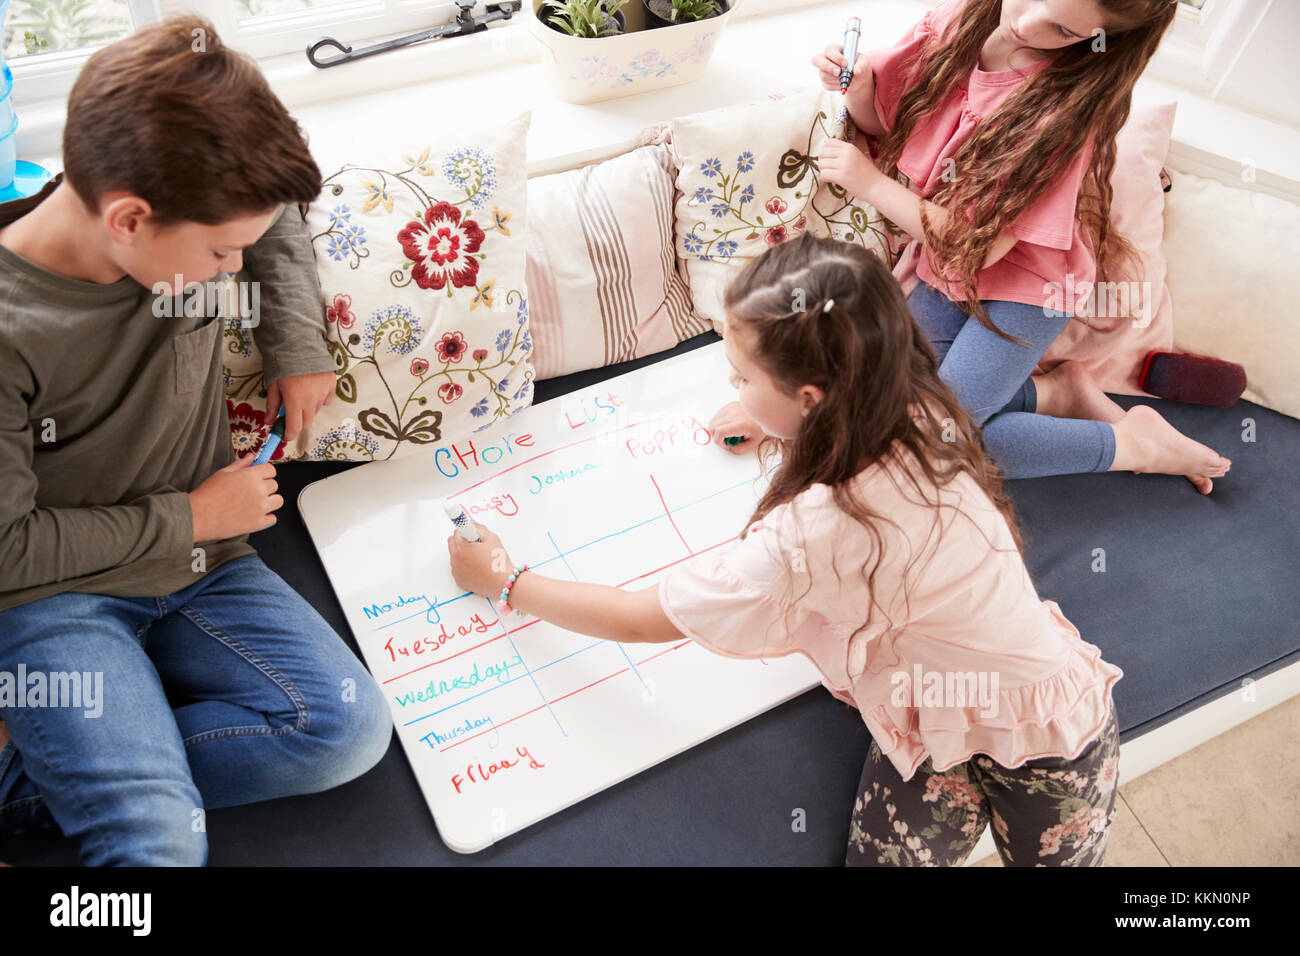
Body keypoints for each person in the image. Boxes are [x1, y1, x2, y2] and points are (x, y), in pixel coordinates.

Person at [448, 233, 1123, 866]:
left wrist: (507, 581)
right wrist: (782, 423)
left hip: (1047, 735)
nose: (732, 389)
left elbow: (639, 619)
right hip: (926, 707)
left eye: (743, 379)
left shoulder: (819, 529)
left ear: (811, 397)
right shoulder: (916, 400)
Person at [0, 15, 391, 865]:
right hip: (56, 599)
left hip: (206, 572)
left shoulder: (173, 219)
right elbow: (6, 550)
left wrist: (294, 335)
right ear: (131, 219)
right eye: (221, 255)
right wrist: (191, 516)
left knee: (346, 731)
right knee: (156, 843)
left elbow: (270, 206)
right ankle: (107, 790)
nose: (230, 274)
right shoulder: (11, 328)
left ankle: (40, 785)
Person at [802, 0, 1230, 492]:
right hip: (944, 270)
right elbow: (888, 122)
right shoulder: (960, 20)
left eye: (1063, 29)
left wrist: (873, 184)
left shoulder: (1062, 113)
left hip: (1025, 287)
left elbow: (980, 249)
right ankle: (1052, 395)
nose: (1026, 25)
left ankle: (1137, 446)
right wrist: (859, 91)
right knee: (885, 393)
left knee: (932, 440)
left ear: (1098, 40)